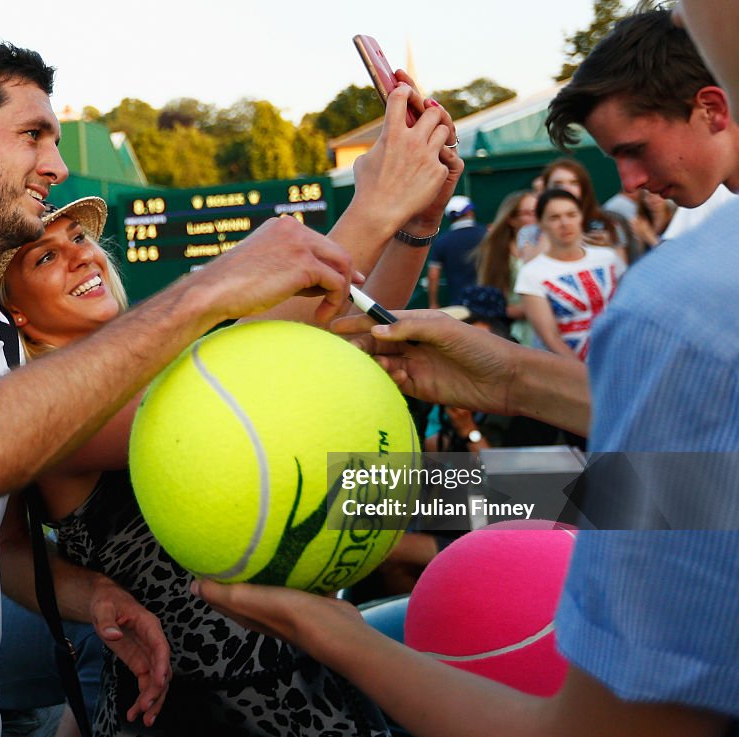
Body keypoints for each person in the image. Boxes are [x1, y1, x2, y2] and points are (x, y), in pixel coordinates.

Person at [0, 39, 386, 737]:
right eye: (32, 136)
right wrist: (212, 287)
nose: (55, 166)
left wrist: (97, 597)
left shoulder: (0, 343)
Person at [196, 8, 739, 736]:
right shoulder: (686, 288)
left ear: (713, 104)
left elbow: (680, 486)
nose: (631, 181)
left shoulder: (678, 300)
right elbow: (693, 475)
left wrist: (341, 635)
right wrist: (512, 379)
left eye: (635, 150)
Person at [0, 80, 462, 736]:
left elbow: (337, 331)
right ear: (14, 311)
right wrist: (375, 202)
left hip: (309, 672)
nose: (79, 254)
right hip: (195, 709)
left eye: (79, 236)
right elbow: (234, 358)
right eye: (46, 255)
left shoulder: (172, 366)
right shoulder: (55, 414)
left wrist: (413, 221)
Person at [514, 188, 625, 360]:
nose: (565, 223)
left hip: (622, 356)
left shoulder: (608, 258)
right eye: (554, 217)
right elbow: (550, 338)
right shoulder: (532, 274)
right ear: (541, 224)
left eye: (571, 214)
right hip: (573, 373)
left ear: (581, 216)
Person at [473, 189, 537, 343]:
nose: (536, 217)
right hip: (519, 332)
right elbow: (495, 302)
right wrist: (531, 309)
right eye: (529, 213)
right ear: (512, 219)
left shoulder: (551, 245)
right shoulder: (500, 252)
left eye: (539, 211)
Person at [426, 195, 487, 309]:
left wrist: (433, 303)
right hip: (489, 302)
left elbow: (433, 275)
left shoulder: (441, 241)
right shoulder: (487, 235)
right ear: (470, 212)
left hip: (458, 305)